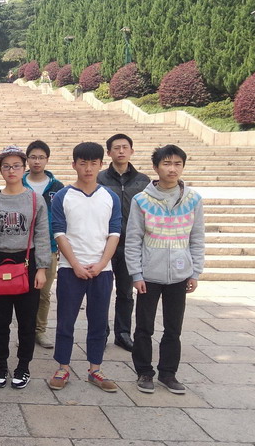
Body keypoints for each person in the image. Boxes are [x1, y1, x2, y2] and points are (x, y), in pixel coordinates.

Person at [126, 145, 204, 395]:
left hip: (180, 276)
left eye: (177, 164)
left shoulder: (193, 199)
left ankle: (168, 374)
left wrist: (195, 272)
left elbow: (197, 237)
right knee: (144, 327)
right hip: (149, 275)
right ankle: (144, 372)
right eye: (167, 163)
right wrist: (136, 274)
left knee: (173, 328)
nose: (172, 169)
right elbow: (133, 239)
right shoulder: (141, 200)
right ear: (156, 167)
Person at [49, 142, 122, 393]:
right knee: (65, 320)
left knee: (99, 321)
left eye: (93, 163)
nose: (88, 168)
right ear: (74, 165)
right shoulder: (63, 196)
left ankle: (95, 369)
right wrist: (75, 264)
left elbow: (114, 233)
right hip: (70, 269)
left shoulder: (110, 197)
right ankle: (63, 367)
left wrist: (101, 264)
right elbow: (59, 233)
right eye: (83, 163)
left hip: (102, 270)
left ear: (101, 165)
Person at [0, 145, 50, 389]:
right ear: (0, 170)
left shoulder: (35, 199)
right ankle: (1, 365)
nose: (11, 170)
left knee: (27, 322)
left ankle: (23, 367)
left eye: (16, 166)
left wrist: (42, 268)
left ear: (24, 168)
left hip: (27, 263)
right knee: (0, 322)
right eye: (6, 166)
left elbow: (42, 235)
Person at [97, 134, 150, 351]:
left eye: (125, 147)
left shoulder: (143, 181)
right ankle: (101, 332)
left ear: (131, 151)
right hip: (104, 245)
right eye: (116, 148)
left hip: (130, 245)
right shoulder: (100, 179)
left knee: (126, 293)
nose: (121, 151)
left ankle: (123, 333)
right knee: (102, 291)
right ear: (109, 152)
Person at [21, 140, 64, 349]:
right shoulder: (19, 183)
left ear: (47, 159)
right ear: (27, 159)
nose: (37, 161)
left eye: (41, 157)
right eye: (33, 157)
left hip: (49, 247)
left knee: (44, 293)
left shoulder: (58, 188)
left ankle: (40, 330)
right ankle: (24, 330)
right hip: (23, 248)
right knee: (22, 291)